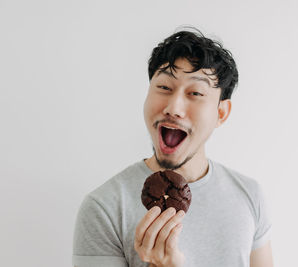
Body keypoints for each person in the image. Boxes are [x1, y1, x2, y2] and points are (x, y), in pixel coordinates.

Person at [72, 28, 273, 267]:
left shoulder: (250, 196)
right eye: (164, 88)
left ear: (221, 112)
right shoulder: (104, 207)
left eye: (195, 93)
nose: (173, 107)